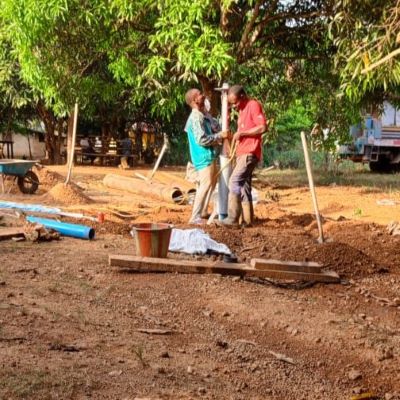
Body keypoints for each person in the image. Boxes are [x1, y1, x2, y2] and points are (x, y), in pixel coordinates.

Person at [220, 85, 267, 227]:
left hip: (249, 152)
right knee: (244, 186)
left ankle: (233, 218)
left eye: (235, 102)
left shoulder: (253, 105)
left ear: (242, 96)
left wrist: (243, 133)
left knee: (234, 181)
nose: (234, 106)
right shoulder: (241, 110)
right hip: (242, 153)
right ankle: (247, 220)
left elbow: (263, 127)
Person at [184, 88, 229, 224]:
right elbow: (201, 139)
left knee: (211, 182)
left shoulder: (202, 115)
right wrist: (219, 136)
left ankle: (202, 211)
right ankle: (195, 217)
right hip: (203, 157)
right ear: (194, 100)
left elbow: (216, 126)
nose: (202, 96)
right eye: (199, 95)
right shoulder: (196, 117)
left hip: (208, 156)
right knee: (205, 185)